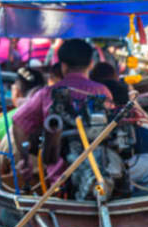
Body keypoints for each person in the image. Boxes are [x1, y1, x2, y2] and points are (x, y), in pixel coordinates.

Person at [12, 39, 112, 181]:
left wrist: (25, 159)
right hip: (102, 172)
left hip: (58, 179)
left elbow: (18, 122)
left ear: (63, 66)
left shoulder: (47, 93)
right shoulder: (103, 91)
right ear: (91, 64)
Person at [101, 79, 148, 194]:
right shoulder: (140, 130)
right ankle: (143, 200)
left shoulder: (135, 129)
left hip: (113, 174)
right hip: (103, 177)